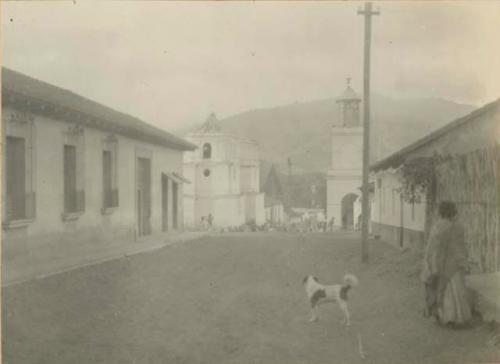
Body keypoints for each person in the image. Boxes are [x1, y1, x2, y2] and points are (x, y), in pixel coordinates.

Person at [421, 201, 472, 327]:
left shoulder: (438, 226)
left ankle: (442, 316)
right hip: (452, 263)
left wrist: (432, 262)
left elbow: (433, 247)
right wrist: (462, 260)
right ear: (453, 212)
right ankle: (457, 318)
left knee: (439, 289)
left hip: (441, 261)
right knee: (454, 290)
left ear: (441, 212)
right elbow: (460, 247)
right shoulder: (456, 226)